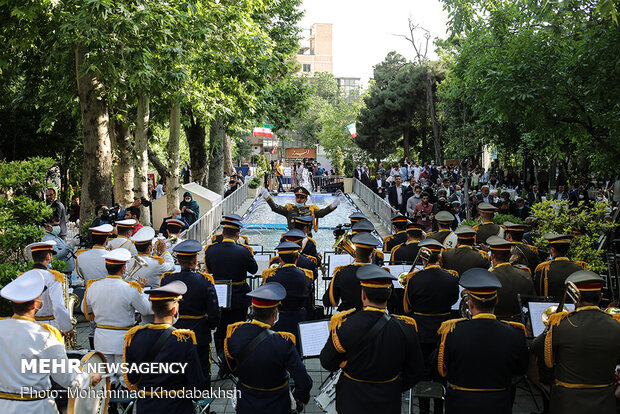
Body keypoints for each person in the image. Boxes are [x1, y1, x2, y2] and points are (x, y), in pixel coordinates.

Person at [320, 264, 425, 414]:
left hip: (352, 399)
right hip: (388, 401)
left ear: (363, 295)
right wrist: (394, 385)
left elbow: (327, 362)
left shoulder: (344, 325)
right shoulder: (406, 328)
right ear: (389, 295)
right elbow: (416, 370)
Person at [0, 269, 100, 414]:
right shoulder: (44, 336)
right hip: (36, 408)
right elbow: (66, 378)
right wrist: (89, 379)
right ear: (35, 304)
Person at [435, 268, 529, 414]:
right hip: (499, 404)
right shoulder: (515, 333)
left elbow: (442, 368)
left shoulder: (452, 331)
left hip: (461, 404)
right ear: (496, 301)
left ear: (470, 303)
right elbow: (520, 370)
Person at [531, 271, 620, 414]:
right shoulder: (616, 325)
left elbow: (536, 347)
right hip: (604, 402)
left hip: (567, 403)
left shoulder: (561, 325)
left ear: (575, 299)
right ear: (600, 297)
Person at [224, 283, 312, 413]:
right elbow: (304, 382)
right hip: (277, 405)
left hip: (246, 403)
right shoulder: (283, 342)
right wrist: (300, 400)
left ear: (252, 310)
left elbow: (229, 368)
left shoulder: (234, 334)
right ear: (275, 313)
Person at [123, 280, 207, 413]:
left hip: (147, 406)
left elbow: (132, 378)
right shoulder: (184, 340)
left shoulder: (135, 337)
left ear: (151, 308)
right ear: (174, 309)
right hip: (177, 406)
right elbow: (196, 384)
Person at [81, 249, 151, 385]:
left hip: (101, 336)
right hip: (123, 339)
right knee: (125, 379)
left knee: (106, 378)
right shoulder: (130, 288)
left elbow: (87, 310)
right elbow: (146, 310)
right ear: (124, 268)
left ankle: (108, 406)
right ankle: (124, 405)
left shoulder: (93, 286)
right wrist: (140, 291)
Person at [403, 245, 459, 414]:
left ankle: (423, 409)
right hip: (444, 330)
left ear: (423, 259)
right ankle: (439, 408)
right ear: (440, 258)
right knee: (441, 370)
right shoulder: (451, 278)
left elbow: (407, 308)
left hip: (421, 330)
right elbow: (453, 300)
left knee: (423, 372)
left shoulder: (414, 279)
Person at [160, 240, 220, 381]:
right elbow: (213, 312)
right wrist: (210, 325)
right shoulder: (205, 281)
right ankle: (201, 398)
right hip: (199, 331)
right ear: (195, 260)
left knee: (176, 369)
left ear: (179, 261)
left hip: (173, 331)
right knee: (202, 368)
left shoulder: (166, 281)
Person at [203, 219, 258, 356]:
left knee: (221, 328)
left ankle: (222, 358)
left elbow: (209, 269)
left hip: (219, 294)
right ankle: (236, 357)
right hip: (239, 295)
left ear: (222, 233)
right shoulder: (244, 251)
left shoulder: (211, 250)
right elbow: (254, 270)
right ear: (237, 234)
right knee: (238, 327)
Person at [261, 241, 313, 340]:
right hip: (300, 319)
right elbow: (309, 300)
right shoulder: (307, 275)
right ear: (297, 258)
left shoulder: (270, 276)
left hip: (278, 319)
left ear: (280, 259)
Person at [24, 241, 73, 339]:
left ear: (33, 257)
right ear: (48, 256)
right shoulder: (53, 277)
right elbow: (58, 307)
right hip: (50, 327)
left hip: (30, 326)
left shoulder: (23, 277)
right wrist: (68, 329)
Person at [323, 233, 381, 311]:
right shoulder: (382, 275)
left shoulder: (342, 273)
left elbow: (327, 302)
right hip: (374, 319)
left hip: (347, 319)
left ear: (354, 254)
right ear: (373, 255)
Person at [486, 236, 535, 322]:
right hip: (518, 324)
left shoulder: (487, 277)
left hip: (494, 323)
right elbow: (532, 301)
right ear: (509, 255)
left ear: (492, 255)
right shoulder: (525, 274)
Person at [261, 185, 341, 231]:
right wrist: (268, 197)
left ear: (306, 199)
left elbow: (322, 213)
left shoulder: (310, 210)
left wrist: (332, 206)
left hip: (305, 239)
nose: (299, 199)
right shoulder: (290, 209)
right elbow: (275, 208)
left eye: (302, 198)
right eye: (297, 197)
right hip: (292, 238)